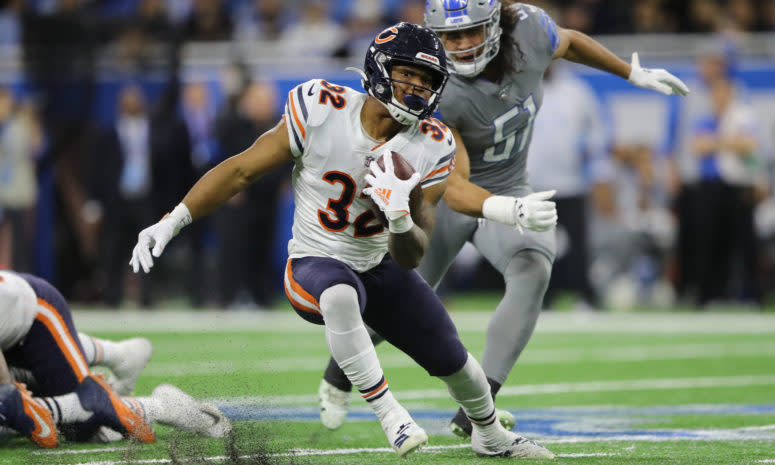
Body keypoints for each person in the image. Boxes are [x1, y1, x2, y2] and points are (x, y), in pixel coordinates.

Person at [130, 22, 554, 459]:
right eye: (409, 74)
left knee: (456, 361)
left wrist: (399, 217)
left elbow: (413, 255)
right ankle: (391, 415)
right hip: (314, 263)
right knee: (338, 294)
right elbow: (242, 170)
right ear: (379, 68)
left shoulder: (432, 143)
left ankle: (490, 435)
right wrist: (173, 219)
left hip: (378, 266)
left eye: (428, 81)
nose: (417, 88)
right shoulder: (321, 108)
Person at [317, 0, 689, 438]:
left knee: (533, 267)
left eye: (471, 32)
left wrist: (629, 72)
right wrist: (509, 209)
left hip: (510, 184)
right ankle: (338, 376)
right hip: (437, 194)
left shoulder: (530, 30)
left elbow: (569, 42)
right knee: (400, 299)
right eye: (450, 36)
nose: (460, 45)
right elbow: (454, 186)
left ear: (495, 24)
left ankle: (477, 411)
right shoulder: (438, 84)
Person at [0, 269, 230, 447]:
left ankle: (164, 407)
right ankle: (120, 355)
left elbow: (7, 396)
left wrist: (10, 401)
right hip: (11, 331)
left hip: (36, 314)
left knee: (83, 427)